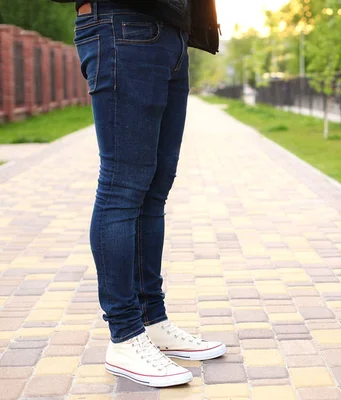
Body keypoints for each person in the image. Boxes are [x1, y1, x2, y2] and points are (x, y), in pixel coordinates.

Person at [50, 0, 224, 387]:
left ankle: (152, 320)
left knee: (155, 189)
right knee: (122, 186)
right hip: (121, 23)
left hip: (173, 31)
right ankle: (125, 337)